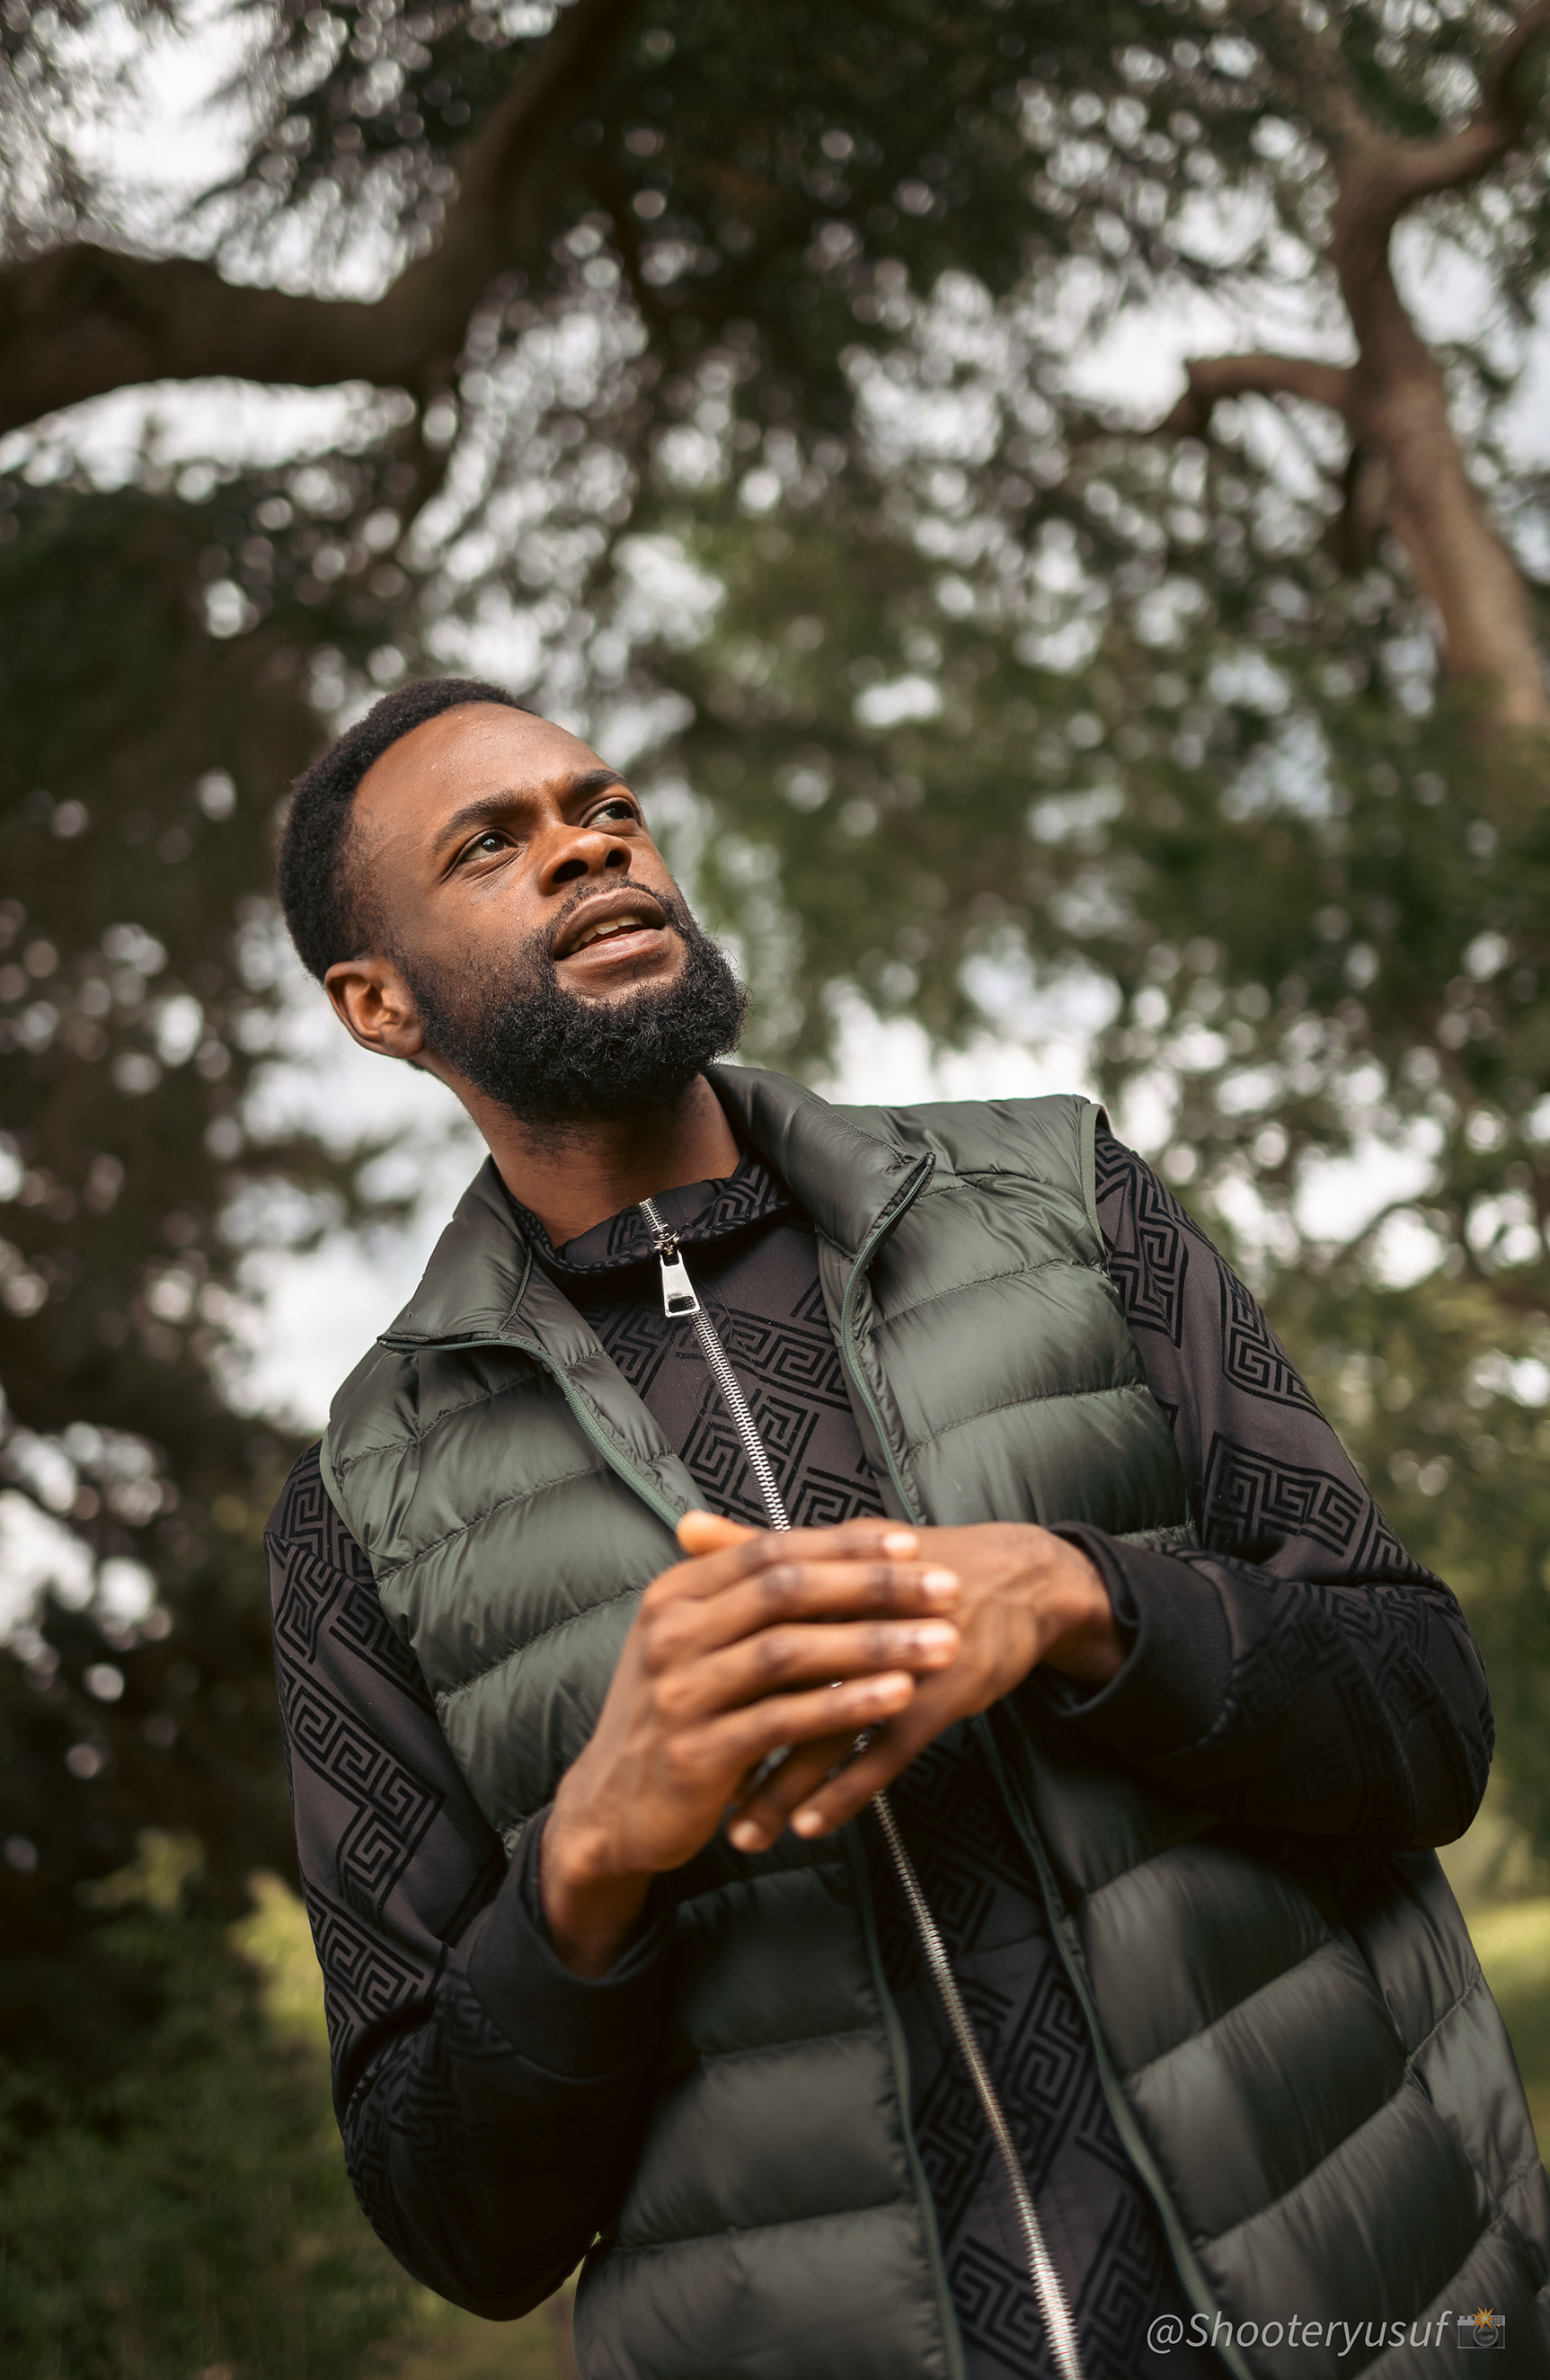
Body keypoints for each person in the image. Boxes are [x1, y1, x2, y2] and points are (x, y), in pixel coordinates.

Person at [265, 676, 1547, 2380]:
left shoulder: (1060, 1200)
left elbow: (1426, 1719)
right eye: (491, 847)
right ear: (378, 1003)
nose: (588, 850)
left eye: (606, 807)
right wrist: (589, 1861)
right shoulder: (361, 1508)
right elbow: (456, 2226)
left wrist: (1090, 1601)